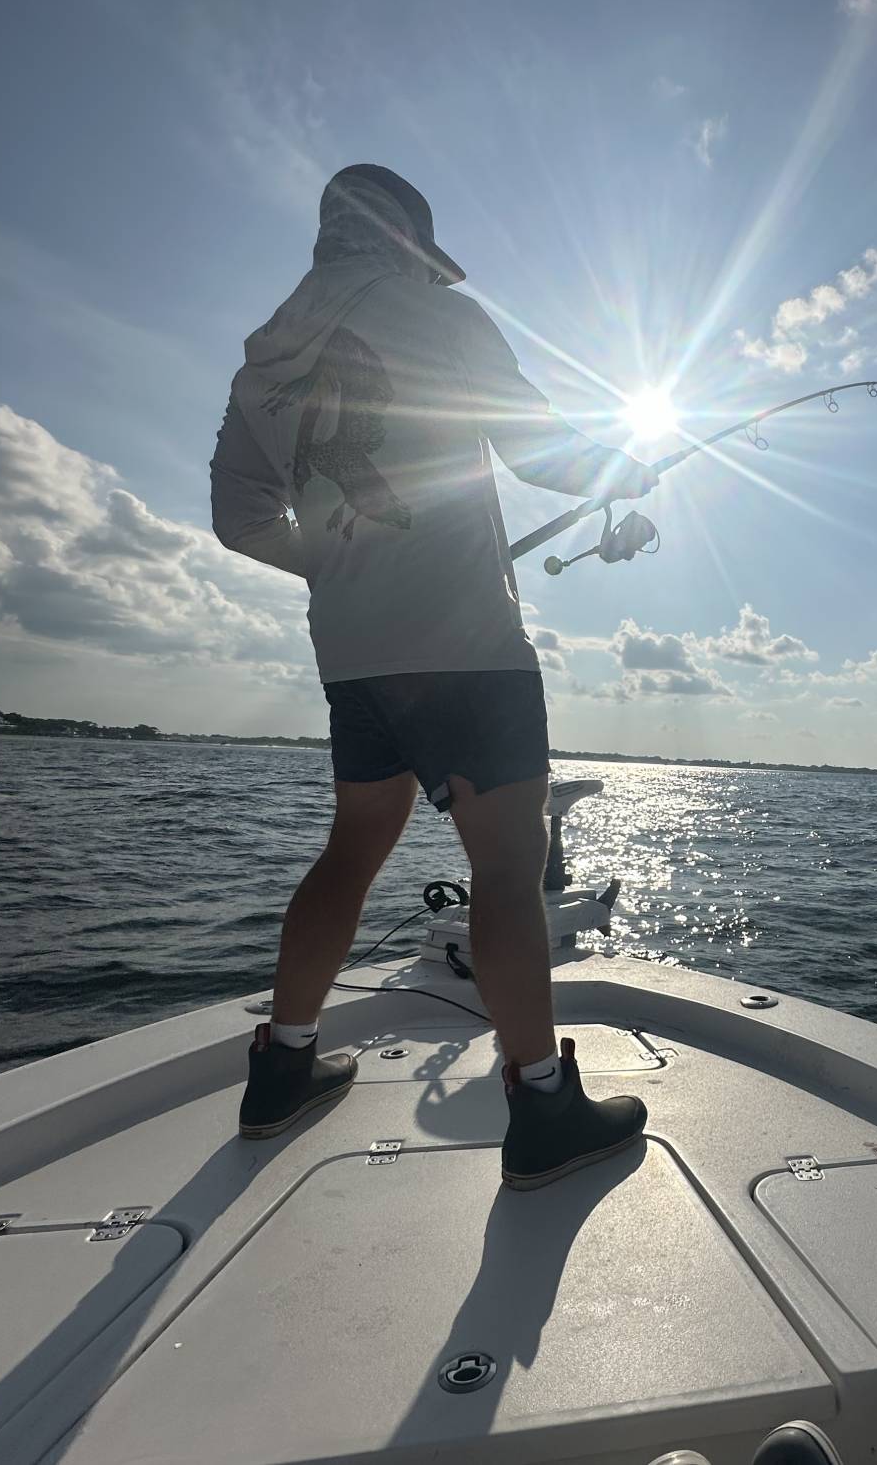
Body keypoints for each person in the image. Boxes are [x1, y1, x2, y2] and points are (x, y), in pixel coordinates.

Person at [210, 163, 651, 1189]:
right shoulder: (441, 316)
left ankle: (282, 1070)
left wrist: (330, 559)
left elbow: (240, 522)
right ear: (412, 243)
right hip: (468, 646)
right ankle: (543, 1105)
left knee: (351, 853)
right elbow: (545, 452)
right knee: (505, 868)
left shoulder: (263, 366)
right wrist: (624, 470)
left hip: (355, 657)